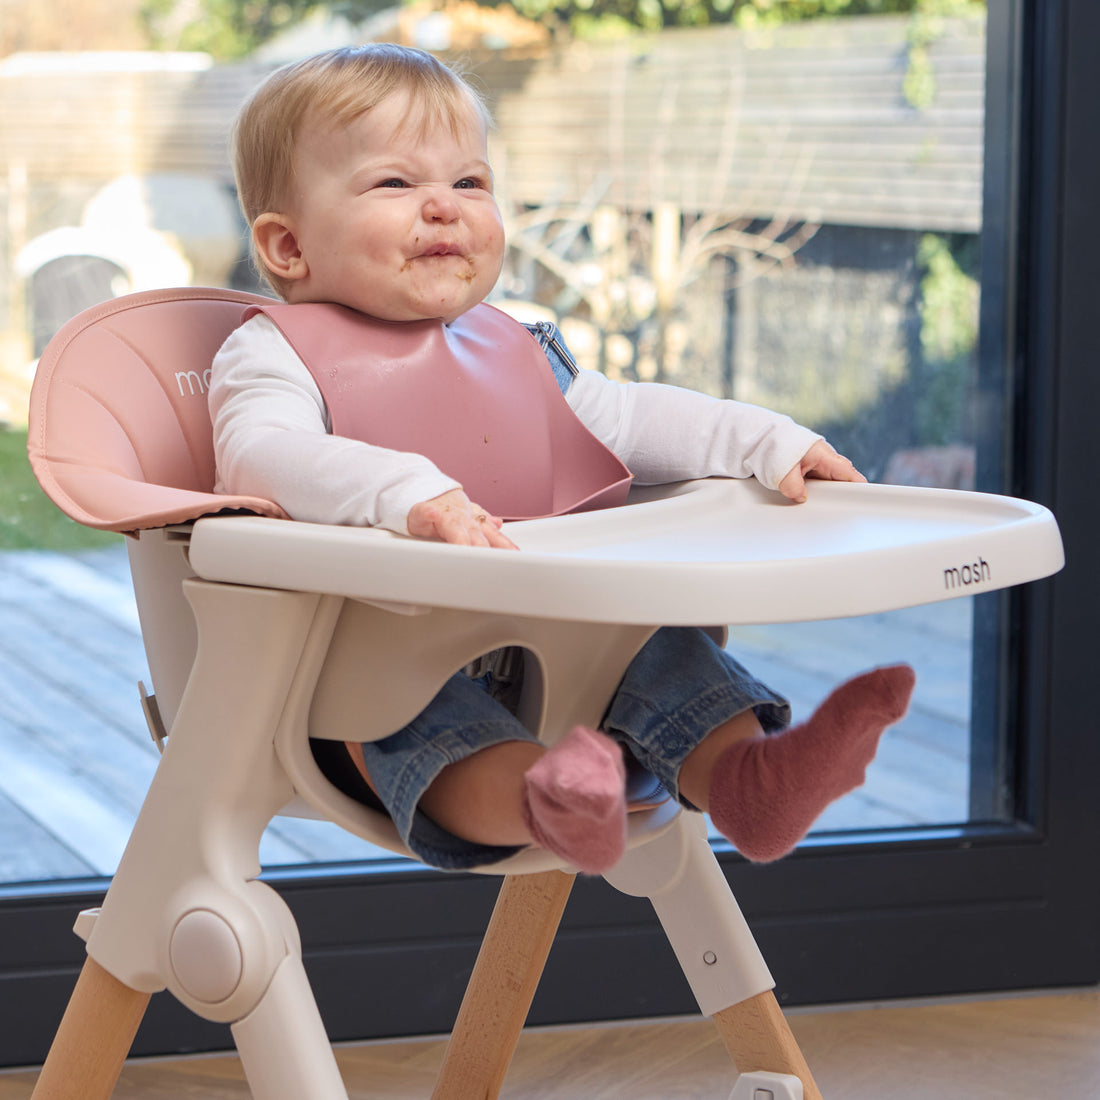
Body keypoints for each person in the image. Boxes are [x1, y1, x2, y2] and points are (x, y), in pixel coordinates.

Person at [210, 43, 915, 874]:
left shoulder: (511, 346)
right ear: (287, 247)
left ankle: (748, 779)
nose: (443, 207)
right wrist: (406, 495)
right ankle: (550, 802)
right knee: (427, 719)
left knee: (662, 644)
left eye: (470, 183)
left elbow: (624, 418)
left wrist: (766, 443)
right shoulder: (274, 354)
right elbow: (261, 456)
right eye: (395, 184)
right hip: (367, 681)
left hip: (564, 656)